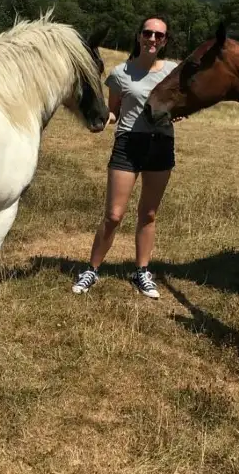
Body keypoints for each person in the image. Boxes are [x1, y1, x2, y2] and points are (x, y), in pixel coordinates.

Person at [72, 16, 179, 299]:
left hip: (161, 144)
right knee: (113, 214)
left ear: (165, 41)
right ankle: (91, 269)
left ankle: (142, 271)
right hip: (128, 144)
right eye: (148, 33)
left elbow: (184, 102)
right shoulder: (121, 73)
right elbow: (114, 111)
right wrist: (103, 120)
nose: (153, 39)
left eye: (159, 35)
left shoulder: (173, 71)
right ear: (139, 36)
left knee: (149, 214)